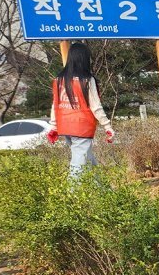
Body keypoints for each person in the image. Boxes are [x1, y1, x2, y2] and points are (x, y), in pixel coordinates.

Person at [47, 42, 115, 178]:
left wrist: (53, 126)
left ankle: (102, 191)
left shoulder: (59, 80)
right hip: (82, 128)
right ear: (84, 59)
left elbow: (56, 105)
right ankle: (72, 196)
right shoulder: (87, 80)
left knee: (88, 160)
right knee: (78, 166)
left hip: (65, 127)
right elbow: (96, 106)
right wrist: (108, 126)